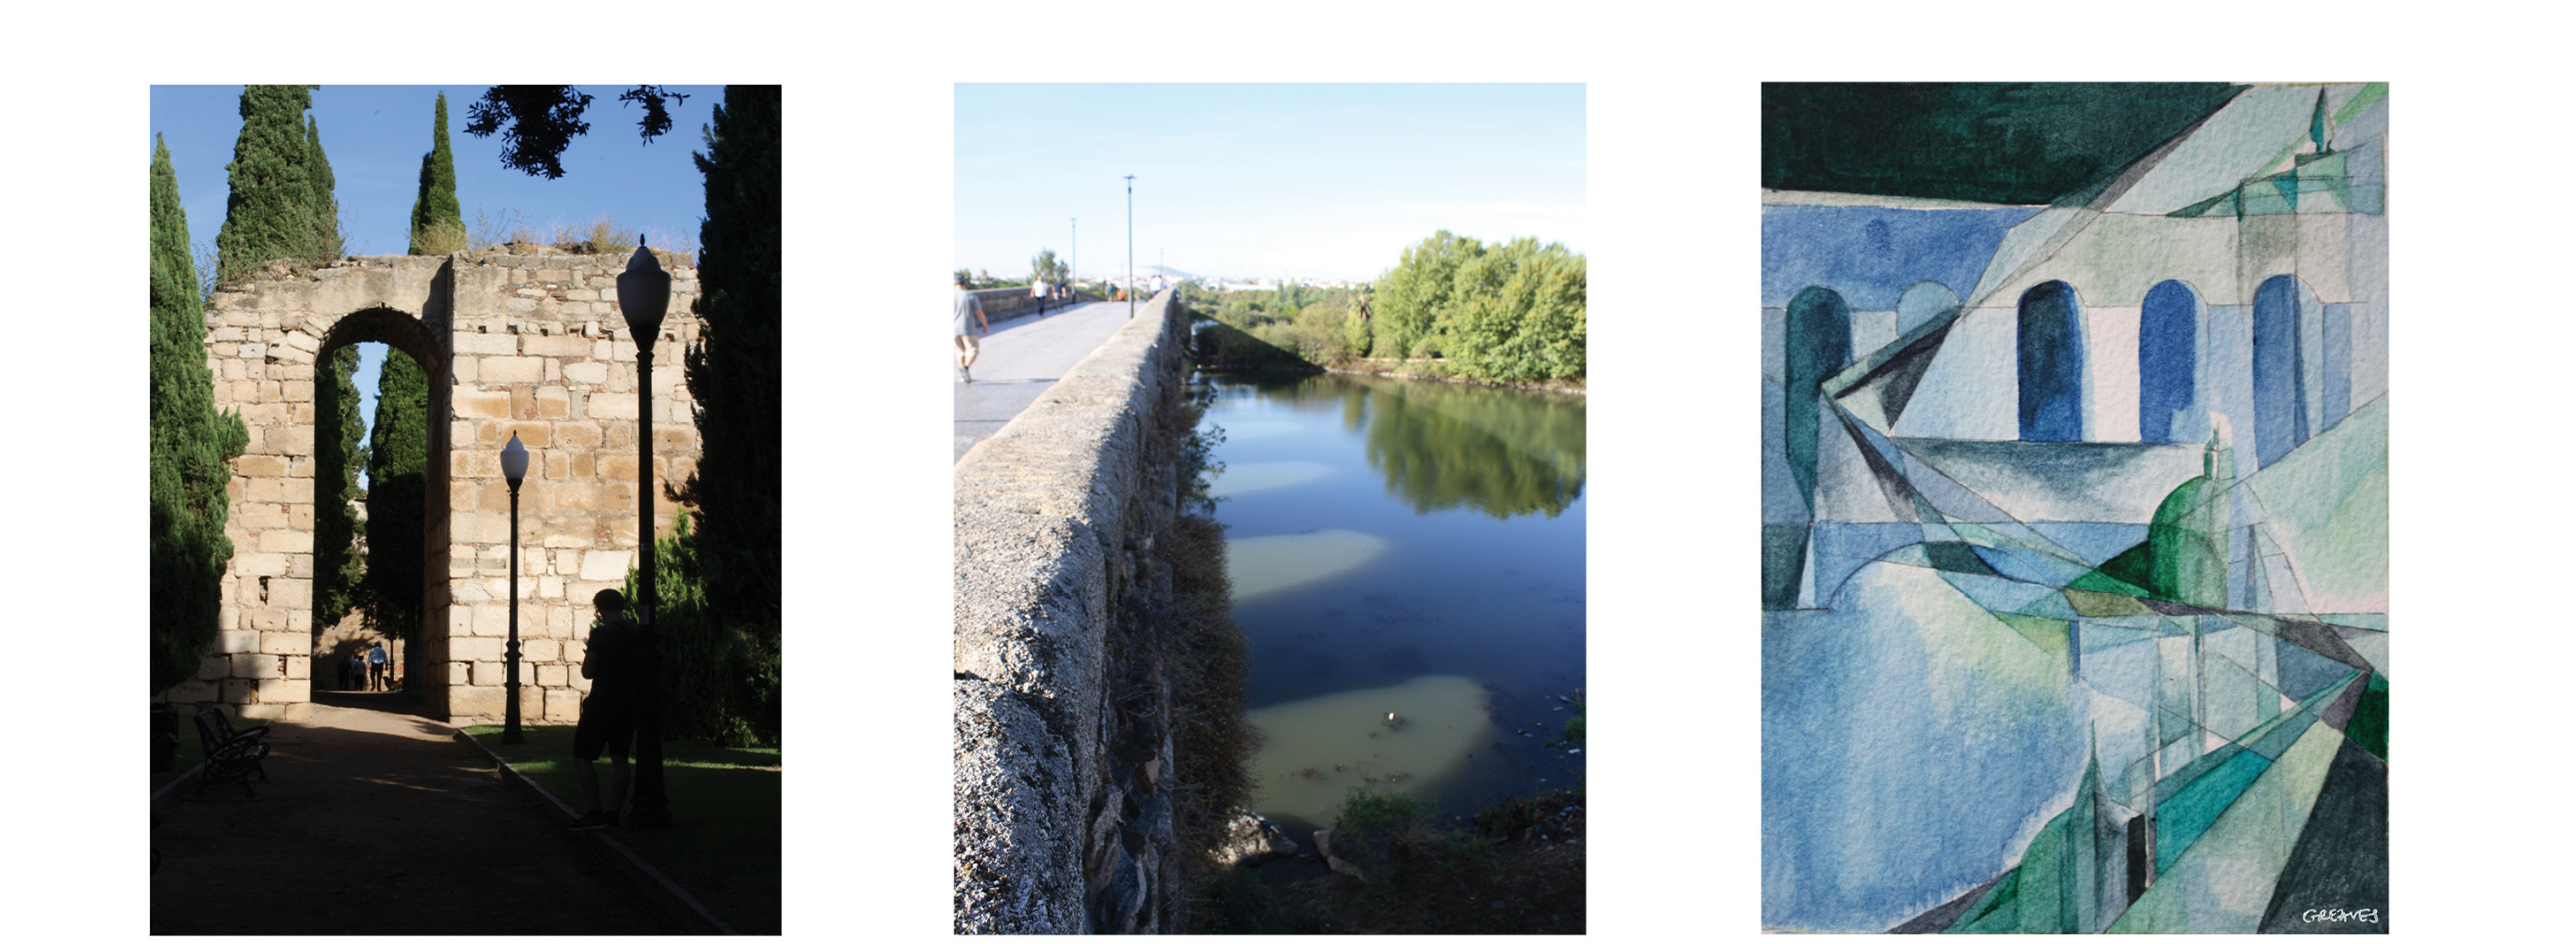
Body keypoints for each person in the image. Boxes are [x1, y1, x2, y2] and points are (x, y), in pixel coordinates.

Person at [567, 589, 645, 830]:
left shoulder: (601, 633)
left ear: (599, 608)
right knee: (620, 758)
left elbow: (588, 671)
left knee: (582, 756)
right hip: (629, 700)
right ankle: (614, 813)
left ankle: (595, 811)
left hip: (603, 700)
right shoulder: (637, 632)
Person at [954, 278, 989, 384]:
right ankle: (965, 367)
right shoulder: (970, 295)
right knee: (973, 350)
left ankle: (964, 375)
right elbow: (979, 312)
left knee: (959, 351)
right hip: (967, 328)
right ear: (964, 284)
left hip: (953, 330)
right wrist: (985, 325)